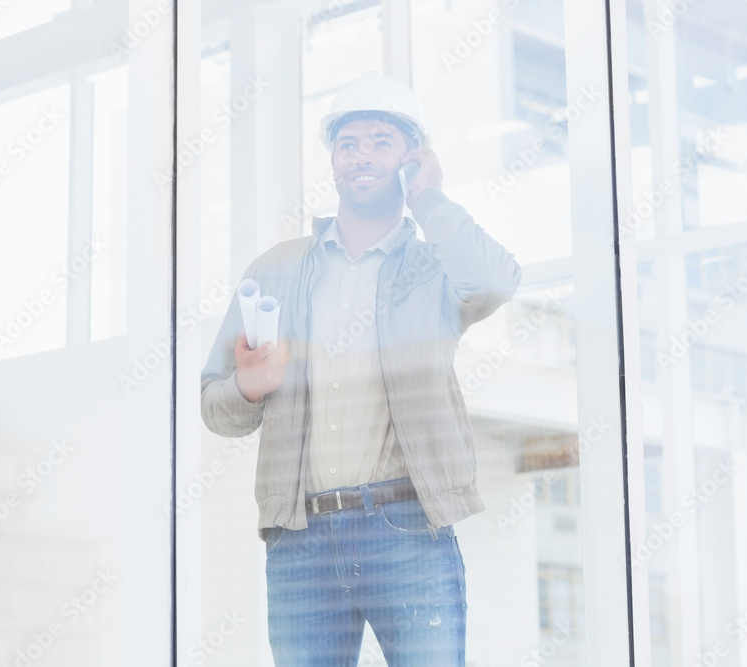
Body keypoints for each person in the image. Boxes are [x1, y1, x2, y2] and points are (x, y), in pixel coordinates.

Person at [200, 71, 521, 666]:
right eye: (348, 144)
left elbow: (498, 280)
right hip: (300, 540)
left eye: (380, 141)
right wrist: (248, 387)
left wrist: (429, 198)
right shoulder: (274, 271)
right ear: (333, 161)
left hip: (408, 529)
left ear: (410, 158)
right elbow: (214, 405)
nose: (360, 156)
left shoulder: (434, 271)